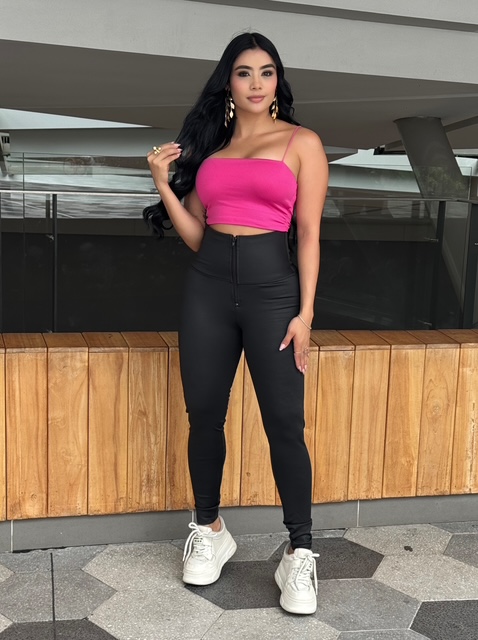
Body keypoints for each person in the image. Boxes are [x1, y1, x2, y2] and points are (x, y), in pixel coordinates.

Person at [145, 31, 328, 615]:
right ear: (228, 82)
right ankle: (209, 527)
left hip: (274, 293)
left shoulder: (301, 143)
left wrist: (305, 314)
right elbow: (198, 235)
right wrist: (163, 185)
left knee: (284, 423)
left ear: (278, 81)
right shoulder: (211, 152)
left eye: (266, 72)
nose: (256, 83)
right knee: (204, 413)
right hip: (207, 291)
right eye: (244, 72)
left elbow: (308, 234)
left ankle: (300, 551)